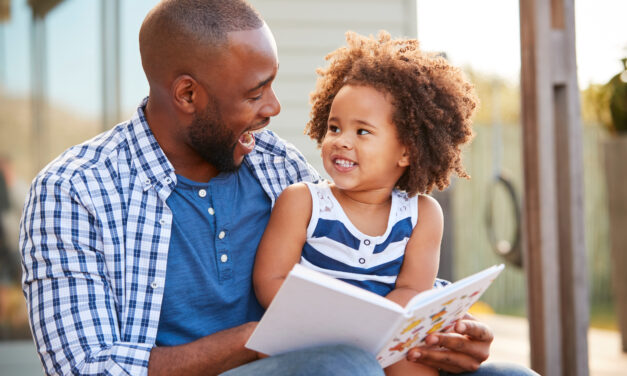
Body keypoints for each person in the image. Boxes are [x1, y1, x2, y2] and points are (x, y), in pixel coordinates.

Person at [19, 1, 536, 375]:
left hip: (315, 362)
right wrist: (262, 338)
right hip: (305, 365)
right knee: (343, 366)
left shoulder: (275, 165)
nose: (274, 108)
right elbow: (87, 369)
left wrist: (443, 326)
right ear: (187, 94)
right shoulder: (75, 191)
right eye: (254, 92)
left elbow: (359, 251)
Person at [253, 31, 474, 376]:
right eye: (334, 127)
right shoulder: (304, 202)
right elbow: (271, 279)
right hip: (309, 337)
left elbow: (413, 289)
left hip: (383, 334)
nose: (342, 141)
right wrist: (333, 323)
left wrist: (371, 326)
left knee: (413, 362)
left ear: (407, 151)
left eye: (363, 132)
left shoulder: (422, 214)